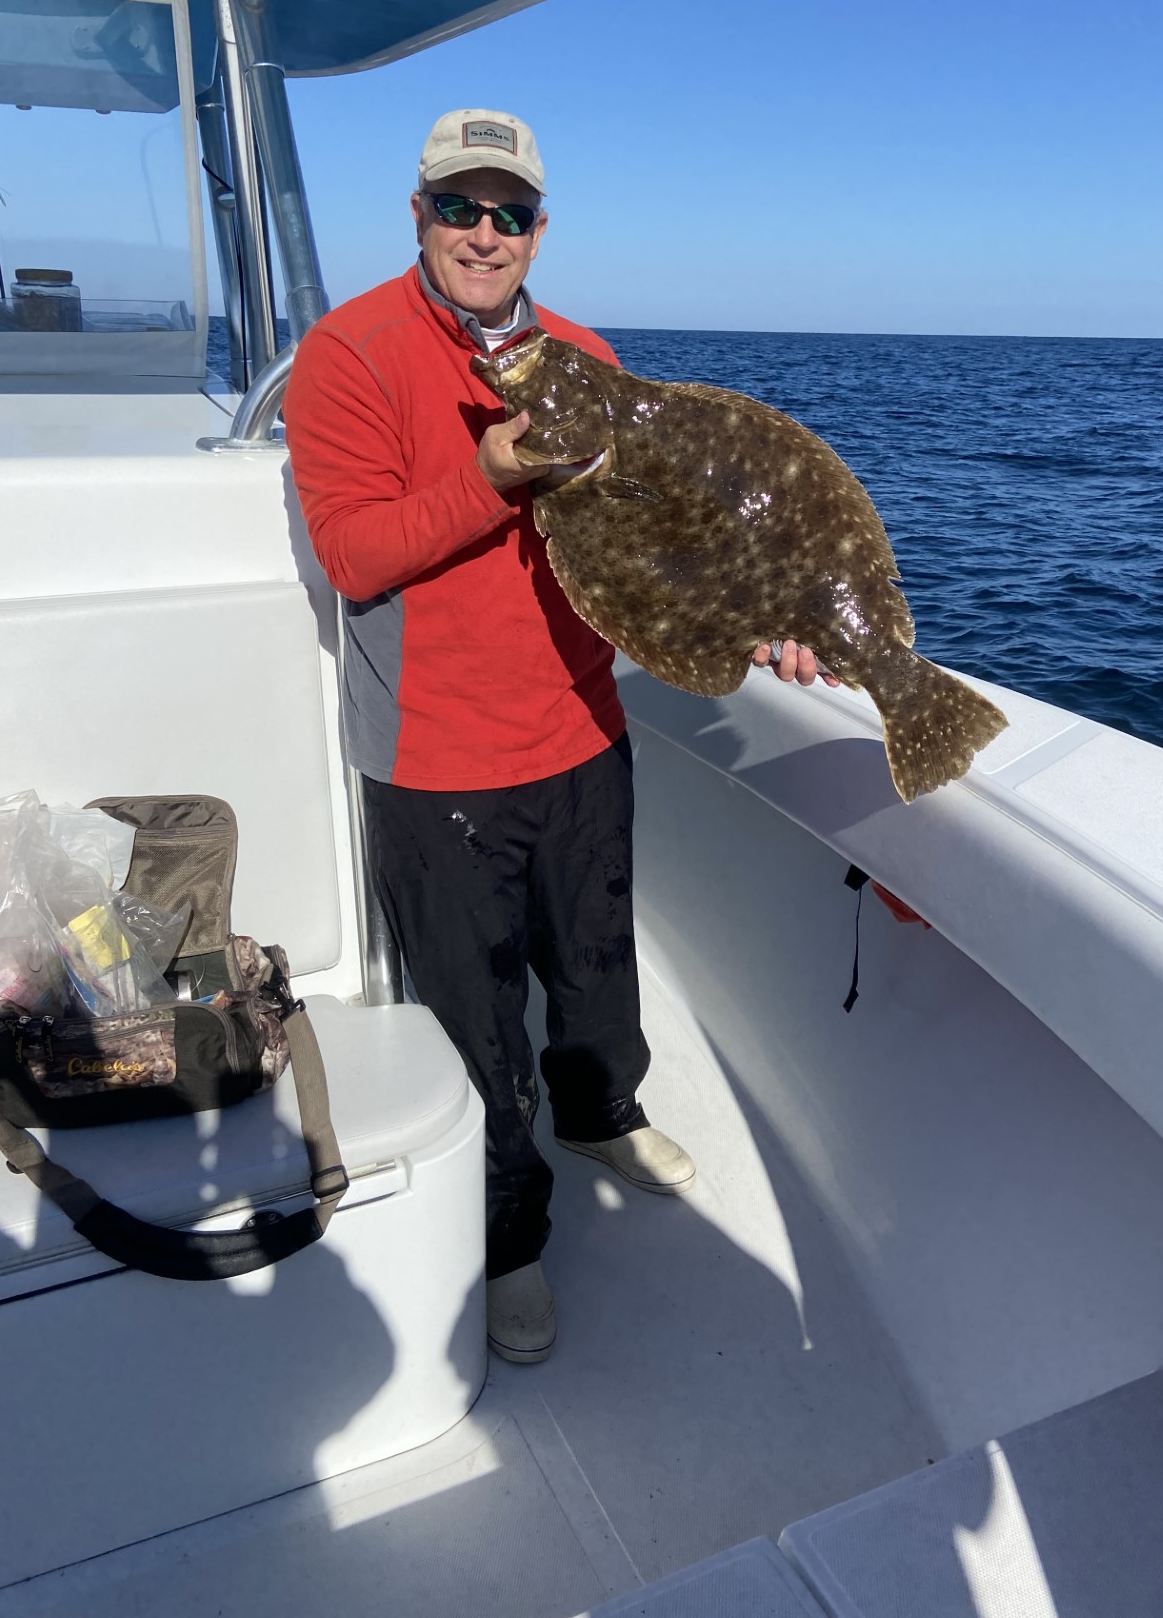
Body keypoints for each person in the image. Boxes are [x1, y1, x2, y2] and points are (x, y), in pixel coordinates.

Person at [285, 109, 830, 1364]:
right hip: (434, 751)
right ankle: (507, 1236)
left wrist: (759, 613)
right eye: (459, 208)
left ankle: (601, 1113)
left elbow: (658, 540)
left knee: (594, 967)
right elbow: (355, 555)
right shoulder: (348, 352)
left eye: (510, 213)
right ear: (418, 215)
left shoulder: (585, 355)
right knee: (475, 1018)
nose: (484, 234)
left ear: (539, 230)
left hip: (582, 726)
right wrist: (489, 476)